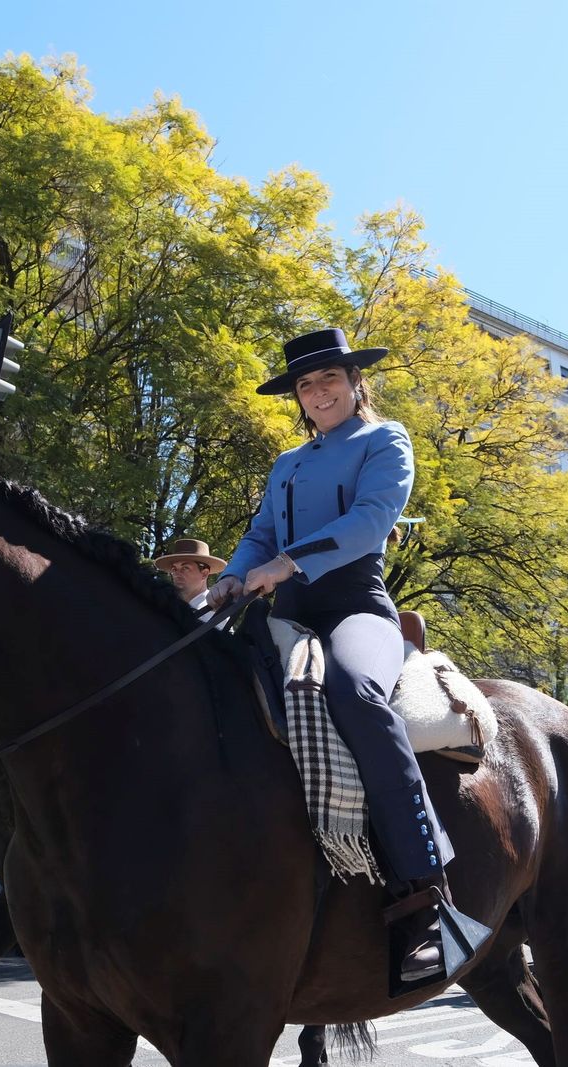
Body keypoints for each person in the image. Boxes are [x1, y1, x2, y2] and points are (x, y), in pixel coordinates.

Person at [207, 326, 468, 985]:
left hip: (354, 605)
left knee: (357, 692)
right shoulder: (287, 463)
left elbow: (371, 520)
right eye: (305, 384)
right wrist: (233, 576)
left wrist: (288, 563)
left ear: (355, 382)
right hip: (285, 610)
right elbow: (260, 533)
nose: (318, 391)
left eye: (329, 378)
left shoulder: (385, 440)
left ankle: (424, 894)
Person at [153, 539, 227, 619]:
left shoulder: (215, 611)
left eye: (185, 568)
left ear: (204, 573)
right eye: (174, 569)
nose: (177, 573)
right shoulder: (166, 609)